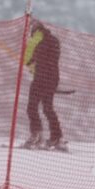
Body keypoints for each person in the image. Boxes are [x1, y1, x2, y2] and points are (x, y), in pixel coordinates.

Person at [22, 21, 66, 151]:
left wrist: (30, 64)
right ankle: (56, 137)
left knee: (32, 107)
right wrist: (35, 64)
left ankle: (36, 135)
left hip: (41, 78)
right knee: (48, 108)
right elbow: (50, 59)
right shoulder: (53, 40)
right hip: (53, 79)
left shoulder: (36, 38)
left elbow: (27, 58)